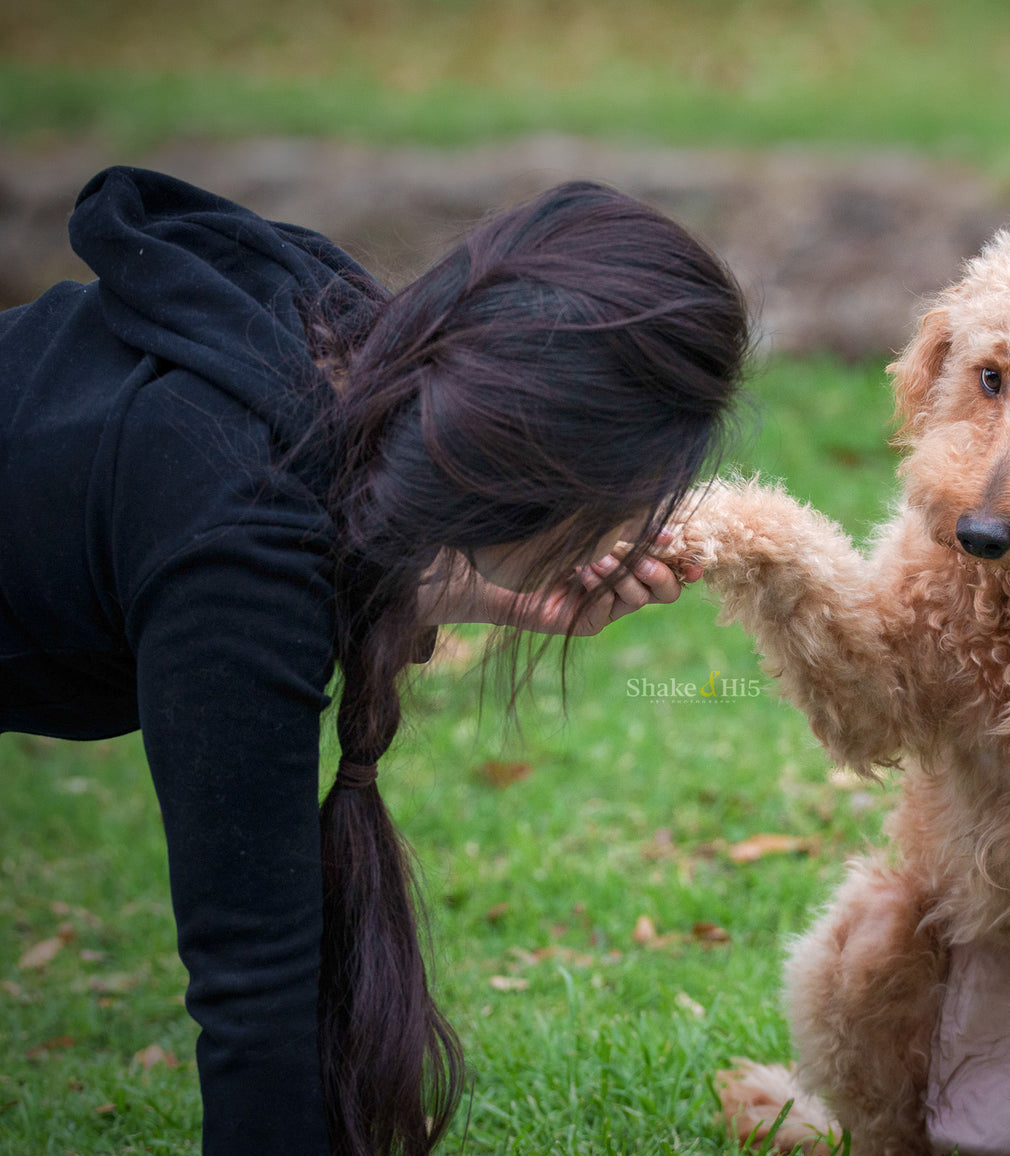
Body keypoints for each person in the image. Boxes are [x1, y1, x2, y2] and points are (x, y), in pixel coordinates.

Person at [0, 167, 749, 1155]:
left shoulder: (342, 330)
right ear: (540, 488)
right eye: (628, 503)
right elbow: (257, 999)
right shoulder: (243, 540)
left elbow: (336, 523)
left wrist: (467, 586)